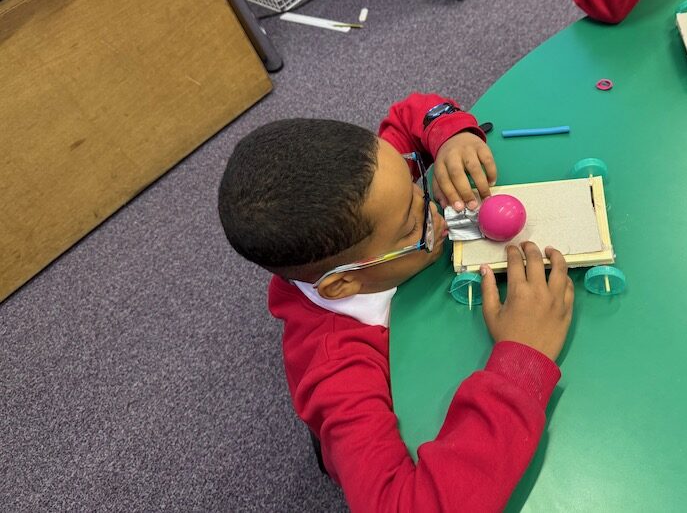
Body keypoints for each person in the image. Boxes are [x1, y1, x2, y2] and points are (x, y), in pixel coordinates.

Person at [217, 93, 575, 512]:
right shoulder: (337, 372)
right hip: (373, 440)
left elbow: (409, 114)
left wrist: (451, 139)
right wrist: (523, 361)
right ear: (341, 283)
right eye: (412, 227)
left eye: (417, 185)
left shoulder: (375, 191)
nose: (438, 209)